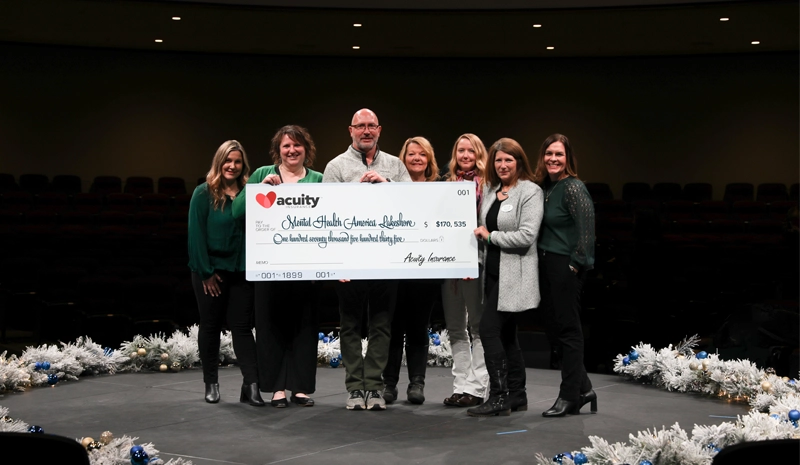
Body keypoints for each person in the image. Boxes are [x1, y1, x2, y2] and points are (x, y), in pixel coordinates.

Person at [322, 108, 412, 410]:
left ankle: (374, 387)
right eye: (360, 126)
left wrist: (387, 185)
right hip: (349, 260)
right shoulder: (335, 167)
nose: (366, 131)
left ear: (379, 130)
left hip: (386, 259)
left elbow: (413, 206)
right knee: (349, 325)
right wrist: (336, 261)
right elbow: (326, 216)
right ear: (350, 130)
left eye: (371, 126)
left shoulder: (395, 165)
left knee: (382, 325)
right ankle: (354, 388)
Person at [232, 125, 323, 408]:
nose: (292, 150)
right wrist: (259, 190)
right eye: (286, 146)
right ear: (278, 150)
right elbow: (237, 211)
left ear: (306, 150)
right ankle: (277, 389)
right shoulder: (261, 174)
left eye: (297, 145)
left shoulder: (319, 179)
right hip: (269, 266)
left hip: (306, 266)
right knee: (270, 326)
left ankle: (300, 388)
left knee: (304, 327)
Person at [467, 138, 543, 417]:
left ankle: (499, 396)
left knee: (488, 330)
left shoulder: (530, 191)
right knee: (507, 335)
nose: (502, 165)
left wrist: (491, 236)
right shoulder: (490, 190)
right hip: (492, 273)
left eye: (508, 160)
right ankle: (517, 394)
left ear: (519, 162)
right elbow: (478, 224)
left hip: (516, 276)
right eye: (498, 160)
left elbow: (527, 235)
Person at [188, 140, 263, 406]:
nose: (232, 166)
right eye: (227, 161)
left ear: (243, 166)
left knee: (242, 328)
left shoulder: (249, 192)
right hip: (212, 274)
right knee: (210, 326)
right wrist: (206, 272)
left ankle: (251, 385)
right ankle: (211, 383)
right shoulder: (203, 193)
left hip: (241, 271)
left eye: (237, 161)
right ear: (219, 163)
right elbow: (195, 236)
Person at [535, 133, 597, 417]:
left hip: (565, 266)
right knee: (553, 329)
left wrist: (575, 265)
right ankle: (584, 388)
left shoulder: (573, 188)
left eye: (559, 154)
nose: (553, 159)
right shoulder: (545, 187)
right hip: (545, 265)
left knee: (569, 331)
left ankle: (569, 395)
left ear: (567, 158)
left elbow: (587, 232)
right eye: (549, 154)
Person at [383, 136, 441, 405]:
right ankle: (389, 385)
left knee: (419, 328)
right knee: (393, 328)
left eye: (422, 154)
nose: (416, 158)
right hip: (394, 267)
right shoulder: (391, 188)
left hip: (426, 269)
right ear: (402, 159)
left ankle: (416, 384)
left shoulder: (440, 190)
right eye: (411, 154)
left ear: (429, 160)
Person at [440, 133, 489, 408]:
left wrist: (472, 258)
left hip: (477, 261)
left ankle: (478, 386)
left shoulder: (488, 185)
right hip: (449, 263)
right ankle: (460, 386)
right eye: (461, 150)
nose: (466, 155)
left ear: (479, 153)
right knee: (455, 327)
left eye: (471, 150)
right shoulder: (445, 184)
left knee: (479, 327)